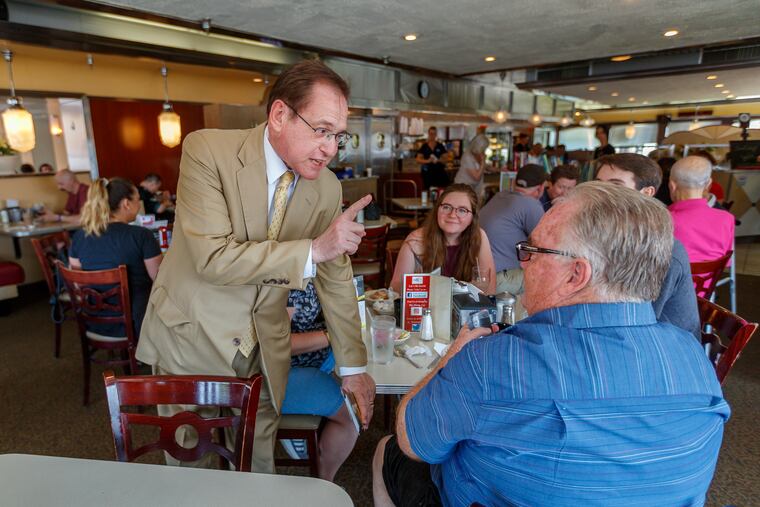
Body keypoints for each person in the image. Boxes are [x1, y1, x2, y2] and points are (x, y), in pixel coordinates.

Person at [372, 181, 730, 507]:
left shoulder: (493, 360)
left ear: (576, 274)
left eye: (532, 251)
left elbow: (412, 440)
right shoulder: (695, 359)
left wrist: (452, 358)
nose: (522, 264)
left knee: (387, 449)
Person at [136, 60, 376, 473]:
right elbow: (212, 258)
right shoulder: (208, 151)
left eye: (338, 135)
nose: (330, 149)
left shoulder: (327, 187)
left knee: (256, 462)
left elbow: (335, 279)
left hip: (266, 347)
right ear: (280, 114)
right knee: (190, 461)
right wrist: (313, 251)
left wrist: (353, 367)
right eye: (321, 130)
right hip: (193, 336)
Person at [595, 153, 700, 338]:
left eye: (615, 185)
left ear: (646, 193)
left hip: (665, 346)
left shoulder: (662, 248)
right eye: (598, 184)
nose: (602, 192)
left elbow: (639, 319)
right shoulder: (612, 232)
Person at [279, 281, 358, 481]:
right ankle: (324, 481)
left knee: (360, 371)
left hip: (318, 360)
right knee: (352, 415)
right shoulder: (287, 281)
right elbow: (278, 344)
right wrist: (331, 336)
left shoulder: (315, 270)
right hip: (286, 373)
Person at [68, 178, 162, 337]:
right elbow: (161, 280)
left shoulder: (79, 236)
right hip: (138, 322)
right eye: (138, 200)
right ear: (126, 203)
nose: (139, 204)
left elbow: (77, 284)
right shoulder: (141, 235)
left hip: (93, 320)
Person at [390, 184, 496, 295]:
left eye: (462, 210)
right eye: (446, 207)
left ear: (472, 218)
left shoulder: (479, 236)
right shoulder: (416, 240)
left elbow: (490, 288)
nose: (452, 215)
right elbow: (396, 287)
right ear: (437, 210)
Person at [479, 164, 545, 295]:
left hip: (480, 275)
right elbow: (545, 244)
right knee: (548, 280)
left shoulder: (499, 196)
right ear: (540, 188)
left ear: (515, 182)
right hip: (501, 279)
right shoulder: (531, 204)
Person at [668, 156, 735, 263]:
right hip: (709, 279)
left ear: (672, 186)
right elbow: (727, 261)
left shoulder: (662, 219)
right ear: (708, 184)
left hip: (670, 279)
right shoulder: (727, 218)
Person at [453, 134, 491, 198]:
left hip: (472, 188)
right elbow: (476, 177)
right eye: (484, 148)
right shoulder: (467, 156)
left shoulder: (478, 155)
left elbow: (487, 167)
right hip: (462, 188)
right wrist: (483, 161)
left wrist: (501, 170)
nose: (484, 150)